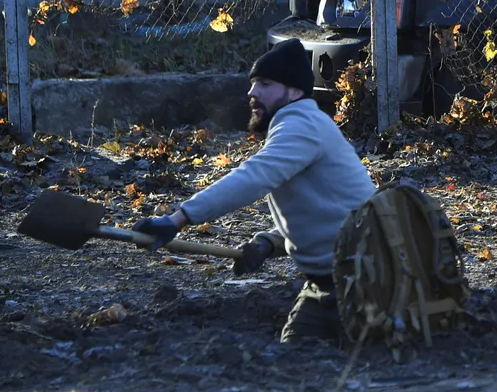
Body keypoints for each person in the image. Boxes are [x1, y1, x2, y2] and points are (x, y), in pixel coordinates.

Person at [132, 39, 377, 343]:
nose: (252, 92)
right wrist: (268, 243)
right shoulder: (299, 126)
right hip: (324, 284)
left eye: (264, 83)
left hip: (363, 282)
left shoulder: (302, 125)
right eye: (253, 83)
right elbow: (323, 212)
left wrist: (178, 219)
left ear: (295, 91)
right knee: (294, 354)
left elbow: (253, 177)